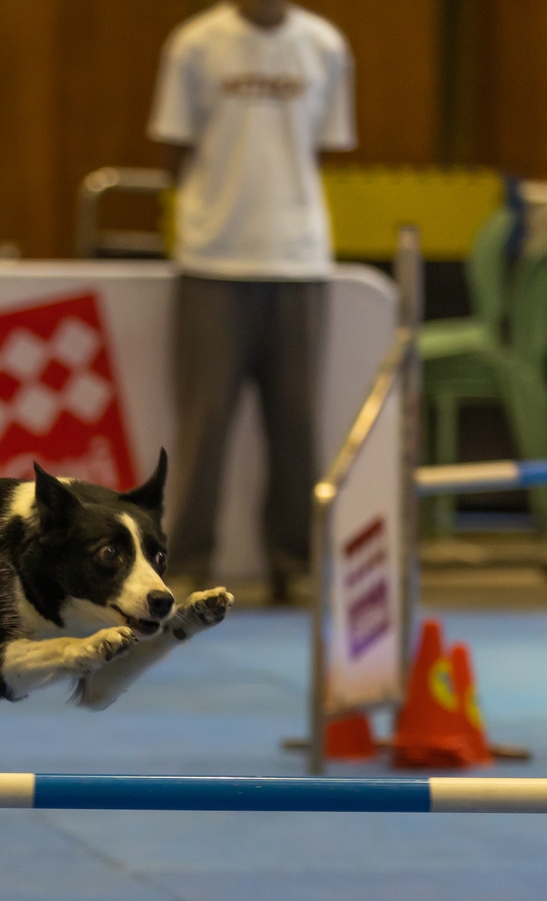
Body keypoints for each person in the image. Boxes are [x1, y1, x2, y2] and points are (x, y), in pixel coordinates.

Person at [148, 0, 355, 603]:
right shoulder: (195, 43)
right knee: (204, 426)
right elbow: (173, 151)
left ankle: (296, 565)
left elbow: (321, 148)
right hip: (214, 261)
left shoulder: (325, 45)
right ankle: (186, 563)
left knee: (297, 425)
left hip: (298, 260)